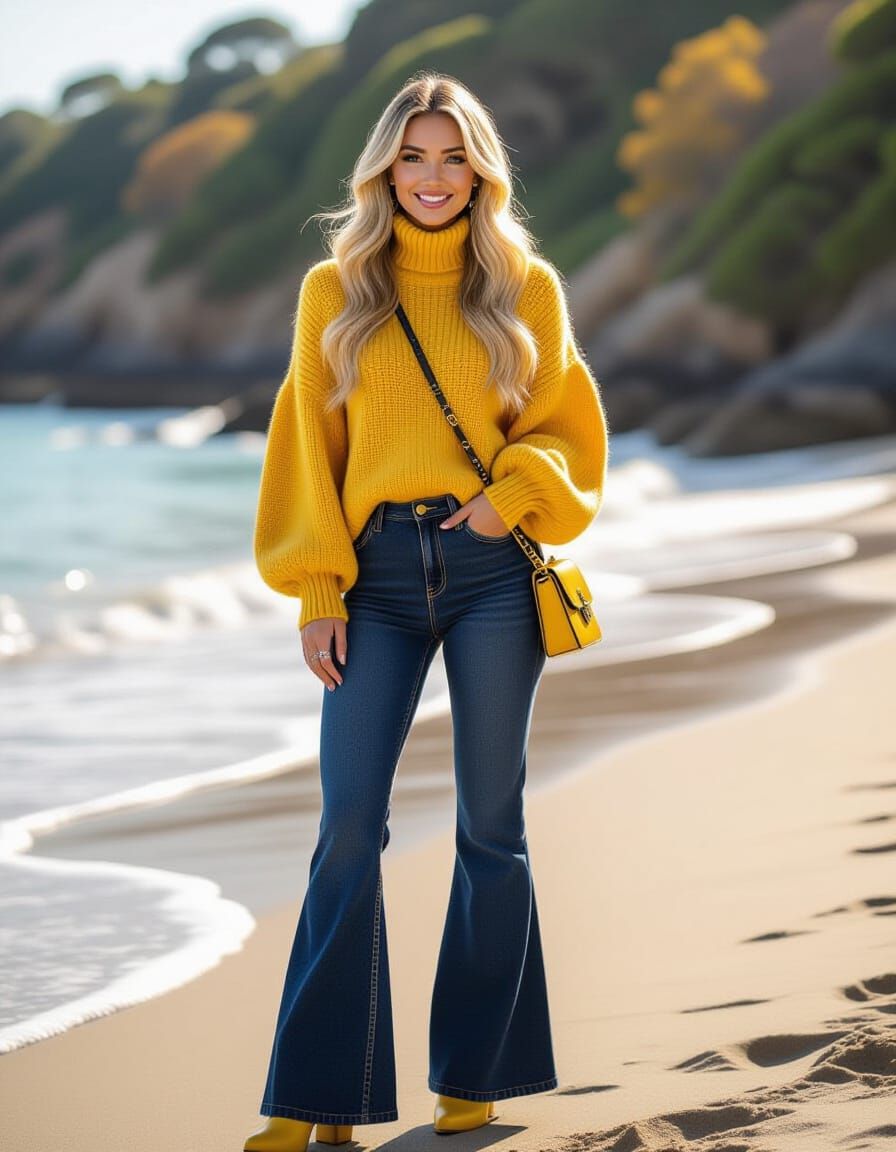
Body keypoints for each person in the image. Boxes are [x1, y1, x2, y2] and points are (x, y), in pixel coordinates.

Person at [244, 71, 609, 1152]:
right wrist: (315, 588)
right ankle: (318, 1101)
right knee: (348, 829)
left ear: (481, 170)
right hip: (374, 581)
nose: (434, 177)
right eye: (414, 156)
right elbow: (304, 449)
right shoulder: (335, 289)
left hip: (492, 572)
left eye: (454, 157)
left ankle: (474, 1076)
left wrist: (508, 503)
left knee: (490, 828)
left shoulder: (524, 286)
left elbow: (566, 428)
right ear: (383, 169)